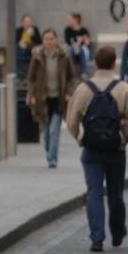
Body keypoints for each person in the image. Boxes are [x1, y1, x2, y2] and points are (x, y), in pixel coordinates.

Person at [66, 47, 128, 252]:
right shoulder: (124, 88)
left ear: (96, 63)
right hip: (115, 149)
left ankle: (97, 236)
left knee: (94, 192)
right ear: (114, 62)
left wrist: (80, 138)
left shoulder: (83, 89)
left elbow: (71, 120)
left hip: (91, 150)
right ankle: (117, 233)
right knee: (116, 193)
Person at [26, 29, 76, 169]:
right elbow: (30, 78)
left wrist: (69, 92)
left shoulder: (64, 57)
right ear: (43, 41)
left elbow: (72, 77)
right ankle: (49, 151)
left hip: (58, 98)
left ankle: (52, 159)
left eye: (51, 39)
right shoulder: (37, 57)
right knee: (46, 132)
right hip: (42, 99)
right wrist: (32, 94)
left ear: (56, 40)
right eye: (46, 39)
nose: (49, 42)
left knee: (55, 130)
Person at [64, 13, 92, 78]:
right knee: (74, 48)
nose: (68, 22)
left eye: (69, 20)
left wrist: (80, 41)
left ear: (76, 20)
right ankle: (84, 72)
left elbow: (87, 43)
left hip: (83, 52)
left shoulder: (84, 30)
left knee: (81, 49)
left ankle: (84, 72)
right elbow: (68, 42)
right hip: (73, 52)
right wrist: (79, 41)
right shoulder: (67, 30)